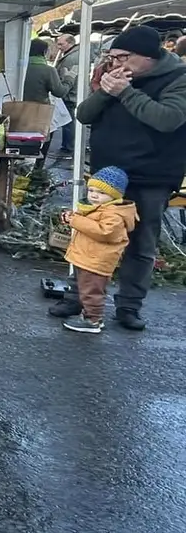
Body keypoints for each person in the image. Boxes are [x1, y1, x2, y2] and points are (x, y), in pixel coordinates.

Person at [51, 25, 186, 331]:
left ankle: (128, 306)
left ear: (148, 56)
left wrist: (125, 92)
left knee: (141, 243)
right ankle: (79, 298)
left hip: (151, 175)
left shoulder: (178, 78)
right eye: (111, 57)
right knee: (89, 236)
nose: (114, 63)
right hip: (108, 175)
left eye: (122, 57)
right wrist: (104, 92)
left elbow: (167, 119)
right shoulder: (114, 75)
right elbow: (84, 114)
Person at [57, 167, 137, 334]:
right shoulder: (100, 208)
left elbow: (104, 232)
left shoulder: (114, 214)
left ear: (114, 195)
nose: (94, 195)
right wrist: (72, 217)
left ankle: (92, 320)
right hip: (88, 257)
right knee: (88, 289)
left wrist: (75, 221)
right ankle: (89, 316)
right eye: (91, 190)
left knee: (91, 291)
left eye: (101, 192)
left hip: (96, 260)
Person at [23, 38, 69, 168]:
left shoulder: (19, 68)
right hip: (40, 114)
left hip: (18, 112)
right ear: (44, 52)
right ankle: (36, 172)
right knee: (41, 146)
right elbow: (59, 92)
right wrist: (69, 78)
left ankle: (19, 171)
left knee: (18, 145)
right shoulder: (48, 70)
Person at [54, 32, 82, 154]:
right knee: (68, 120)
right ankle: (68, 145)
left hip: (69, 93)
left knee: (68, 120)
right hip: (71, 92)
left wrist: (63, 90)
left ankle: (68, 146)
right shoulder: (73, 55)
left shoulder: (71, 58)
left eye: (61, 44)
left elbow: (68, 77)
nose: (59, 47)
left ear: (70, 43)